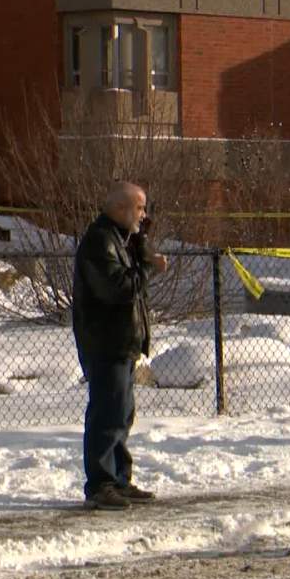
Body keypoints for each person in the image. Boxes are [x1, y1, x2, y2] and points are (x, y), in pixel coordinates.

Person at [72, 181, 167, 510]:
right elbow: (117, 289)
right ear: (120, 209)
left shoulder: (122, 239)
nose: (144, 214)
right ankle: (101, 484)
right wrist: (146, 266)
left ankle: (119, 479)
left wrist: (141, 246)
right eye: (139, 208)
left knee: (122, 412)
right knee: (107, 412)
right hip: (105, 342)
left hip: (122, 342)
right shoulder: (100, 241)